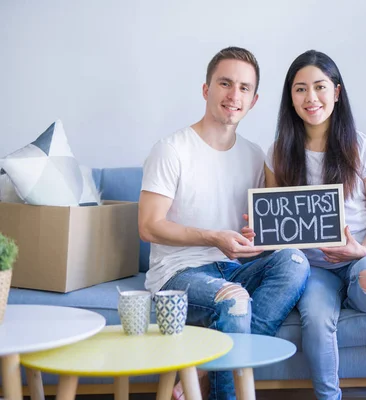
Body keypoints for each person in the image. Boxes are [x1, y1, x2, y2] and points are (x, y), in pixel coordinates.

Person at [138, 46, 310, 400]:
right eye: (225, 84)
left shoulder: (254, 155)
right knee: (235, 301)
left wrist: (255, 238)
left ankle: (203, 372)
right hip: (180, 271)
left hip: (234, 265)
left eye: (244, 88)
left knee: (294, 261)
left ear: (254, 100)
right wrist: (213, 237)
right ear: (206, 89)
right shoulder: (171, 149)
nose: (234, 95)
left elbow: (267, 228)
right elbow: (149, 225)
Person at [262, 50, 366, 400]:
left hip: (363, 251)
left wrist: (363, 249)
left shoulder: (362, 147)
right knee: (316, 317)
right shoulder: (279, 152)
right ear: (290, 98)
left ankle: (361, 284)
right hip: (314, 267)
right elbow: (275, 220)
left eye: (320, 87)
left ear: (337, 93)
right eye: (300, 89)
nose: (311, 98)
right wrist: (264, 230)